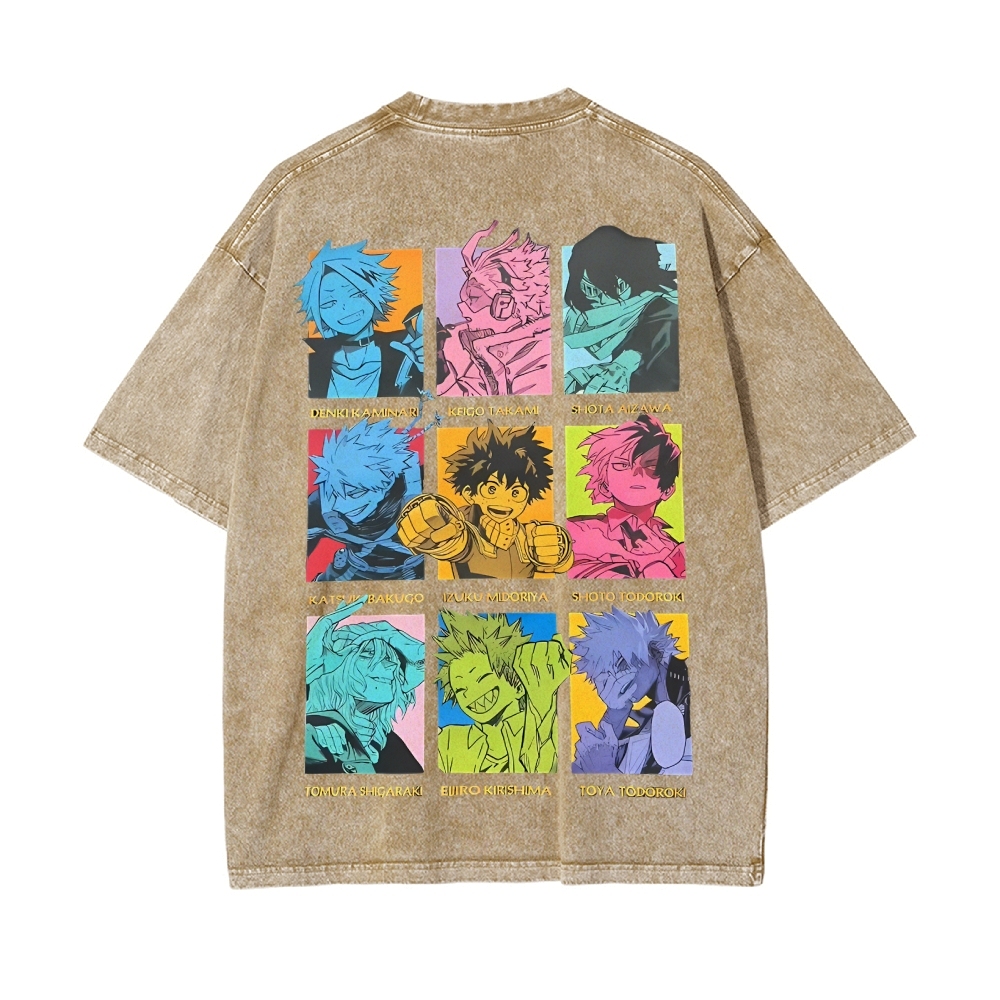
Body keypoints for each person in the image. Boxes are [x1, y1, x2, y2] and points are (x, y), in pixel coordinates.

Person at [397, 422, 572, 579]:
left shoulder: (526, 535)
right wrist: (428, 523)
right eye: (492, 489)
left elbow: (561, 566)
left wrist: (559, 551)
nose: (504, 500)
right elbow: (458, 544)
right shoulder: (464, 522)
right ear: (469, 493)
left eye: (516, 492)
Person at [437, 612, 569, 773]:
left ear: (519, 686)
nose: (468, 693)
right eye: (460, 689)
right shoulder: (449, 742)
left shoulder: (553, 730)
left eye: (481, 678)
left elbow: (545, 775)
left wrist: (542, 699)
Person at [305, 598, 425, 774]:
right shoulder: (312, 735)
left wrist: (399, 640)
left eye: (389, 657)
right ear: (333, 671)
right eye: (368, 654)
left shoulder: (390, 747)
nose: (391, 665)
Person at [571, 608, 692, 775]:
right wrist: (617, 711)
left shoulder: (690, 692)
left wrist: (603, 769)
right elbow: (585, 765)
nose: (614, 681)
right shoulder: (647, 714)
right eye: (604, 675)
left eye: (621, 664)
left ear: (653, 652)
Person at [436, 222, 551, 396]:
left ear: (504, 304)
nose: (463, 311)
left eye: (473, 299)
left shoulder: (541, 354)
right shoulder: (463, 339)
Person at [298, 240, 423, 398]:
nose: (345, 307)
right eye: (329, 303)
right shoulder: (312, 365)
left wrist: (427, 369)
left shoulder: (407, 348)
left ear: (374, 293)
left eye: (355, 294)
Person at [567, 415, 685, 579]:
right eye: (622, 465)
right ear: (604, 485)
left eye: (651, 466)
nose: (636, 473)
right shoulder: (578, 532)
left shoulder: (673, 547)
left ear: (668, 489)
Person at [563, 226, 678, 394]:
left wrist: (623, 366)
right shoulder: (573, 319)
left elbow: (655, 331)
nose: (602, 299)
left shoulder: (661, 306)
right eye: (591, 289)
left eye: (618, 288)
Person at [308, 419, 423, 581]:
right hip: (352, 573)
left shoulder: (422, 489)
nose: (339, 505)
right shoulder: (318, 505)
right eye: (335, 492)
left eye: (354, 493)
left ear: (388, 481)